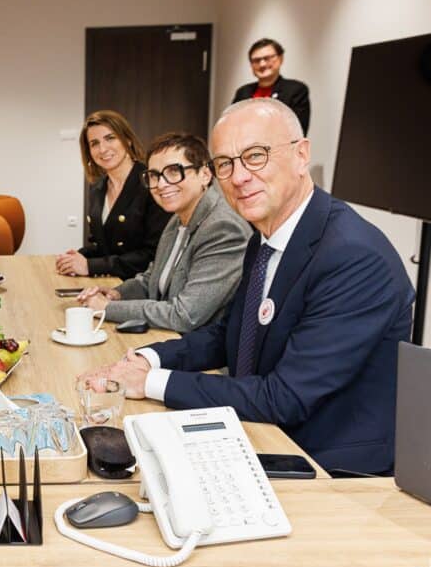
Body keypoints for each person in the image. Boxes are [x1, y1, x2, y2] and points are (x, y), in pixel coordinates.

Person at [78, 99, 414, 475]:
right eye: (226, 163)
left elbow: (285, 397)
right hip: (261, 433)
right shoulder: (266, 236)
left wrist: (151, 382)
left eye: (256, 156)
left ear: (301, 155)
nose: (238, 177)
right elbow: (231, 335)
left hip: (330, 470)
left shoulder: (353, 256)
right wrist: (148, 358)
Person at [76, 132, 251, 333]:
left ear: (205, 174)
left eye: (174, 172)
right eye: (154, 175)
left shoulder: (223, 229)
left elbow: (184, 315)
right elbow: (151, 279)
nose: (161, 184)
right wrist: (116, 294)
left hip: (202, 356)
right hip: (166, 337)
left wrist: (107, 308)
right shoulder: (177, 218)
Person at [56, 110, 168, 280]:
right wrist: (73, 258)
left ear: (127, 140)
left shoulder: (152, 183)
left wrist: (90, 266)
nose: (103, 149)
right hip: (107, 282)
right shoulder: (97, 188)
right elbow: (103, 245)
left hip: (140, 288)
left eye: (110, 138)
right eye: (94, 143)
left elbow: (154, 254)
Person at [232, 38, 311, 135]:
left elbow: (297, 130)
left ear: (281, 58)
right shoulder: (243, 92)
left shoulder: (296, 90)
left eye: (267, 58)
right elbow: (232, 125)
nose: (262, 64)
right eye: (256, 60)